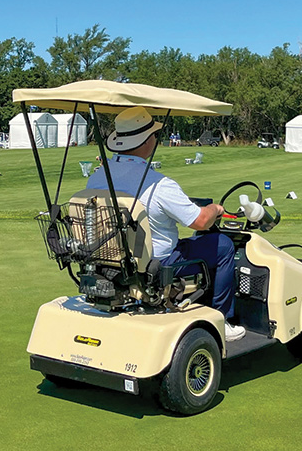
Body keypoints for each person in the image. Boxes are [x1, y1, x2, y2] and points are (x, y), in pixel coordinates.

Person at [87, 107, 245, 342]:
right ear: (146, 142)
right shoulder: (160, 184)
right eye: (153, 135)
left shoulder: (98, 176)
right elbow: (200, 221)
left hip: (110, 257)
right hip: (156, 263)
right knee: (222, 245)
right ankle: (221, 318)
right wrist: (216, 209)